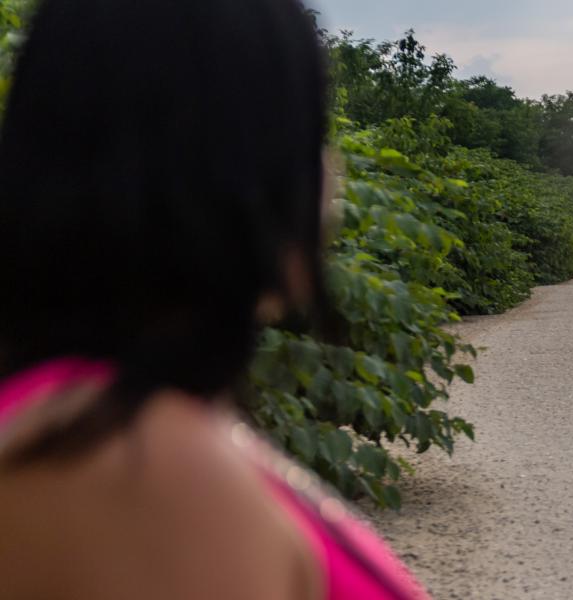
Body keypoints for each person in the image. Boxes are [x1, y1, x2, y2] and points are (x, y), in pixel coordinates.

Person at [0, 0, 429, 598]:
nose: (332, 172)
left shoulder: (87, 420)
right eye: (311, 135)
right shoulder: (149, 469)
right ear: (234, 173)